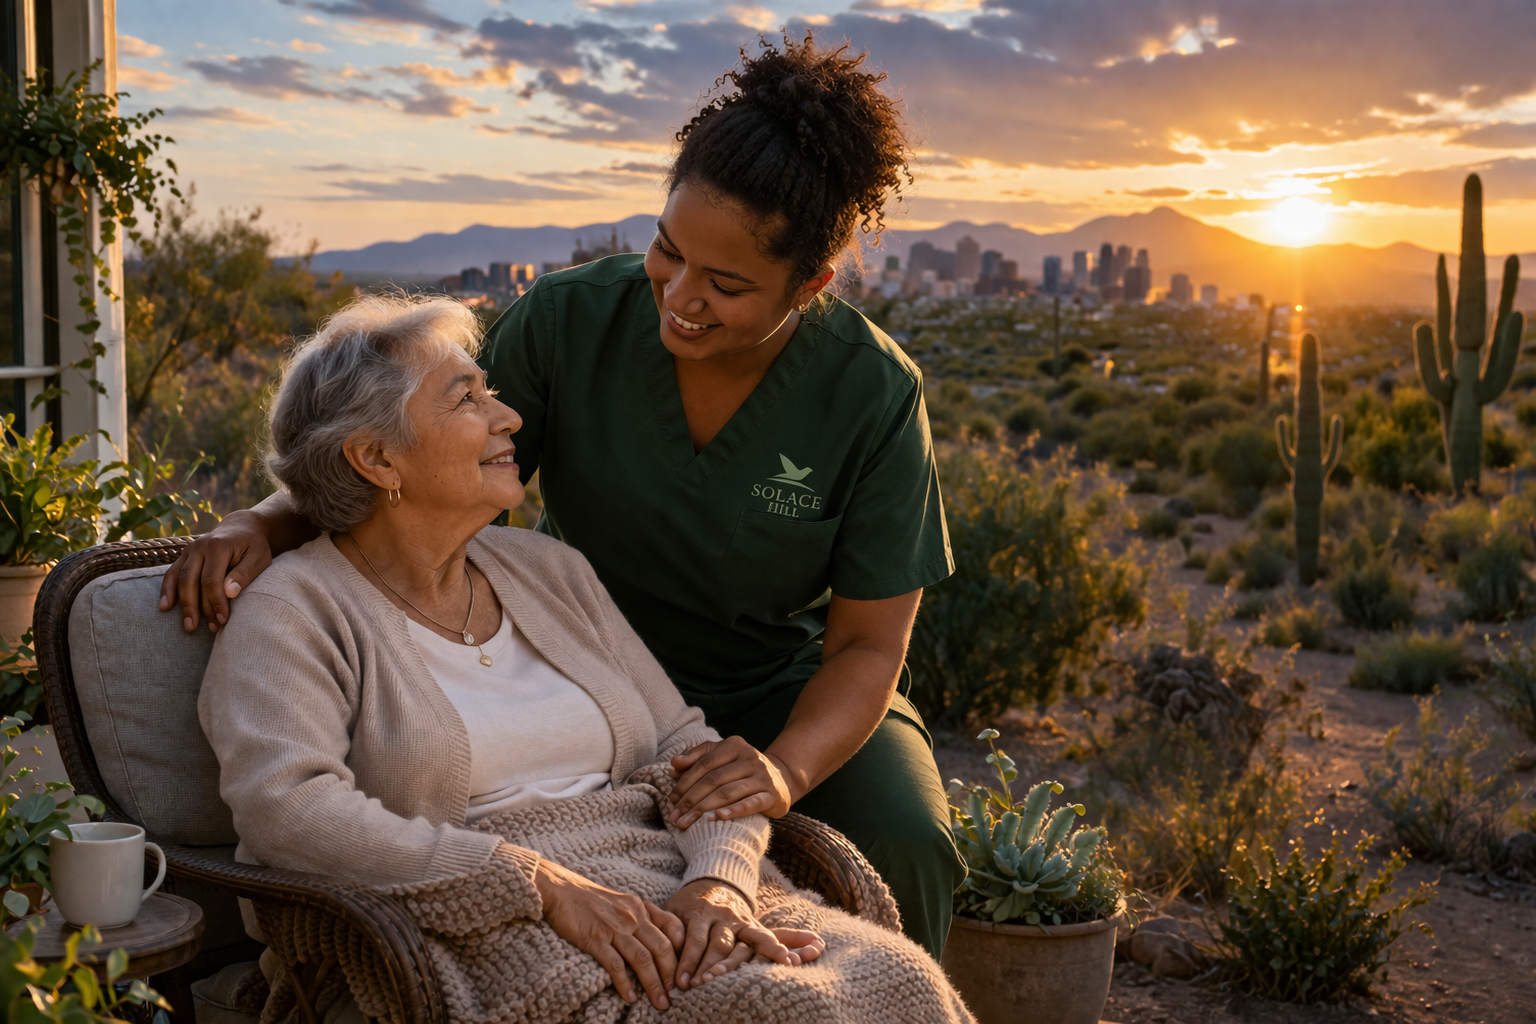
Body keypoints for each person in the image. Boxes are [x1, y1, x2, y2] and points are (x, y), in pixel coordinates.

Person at [167, 33, 965, 958]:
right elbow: (418, 457)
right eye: (668, 251)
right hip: (585, 662)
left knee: (908, 844)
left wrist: (779, 773)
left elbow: (870, 644)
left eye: (730, 284)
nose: (682, 298)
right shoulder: (569, 321)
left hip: (782, 691)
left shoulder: (870, 391)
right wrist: (262, 522)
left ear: (810, 285)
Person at [198, 295, 973, 1024]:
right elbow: (287, 811)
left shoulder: (546, 570)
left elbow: (683, 748)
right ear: (377, 459)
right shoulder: (292, 611)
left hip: (661, 877)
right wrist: (531, 882)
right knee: (788, 1011)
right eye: (466, 400)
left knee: (903, 983)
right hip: (471, 921)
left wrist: (720, 882)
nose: (510, 417)